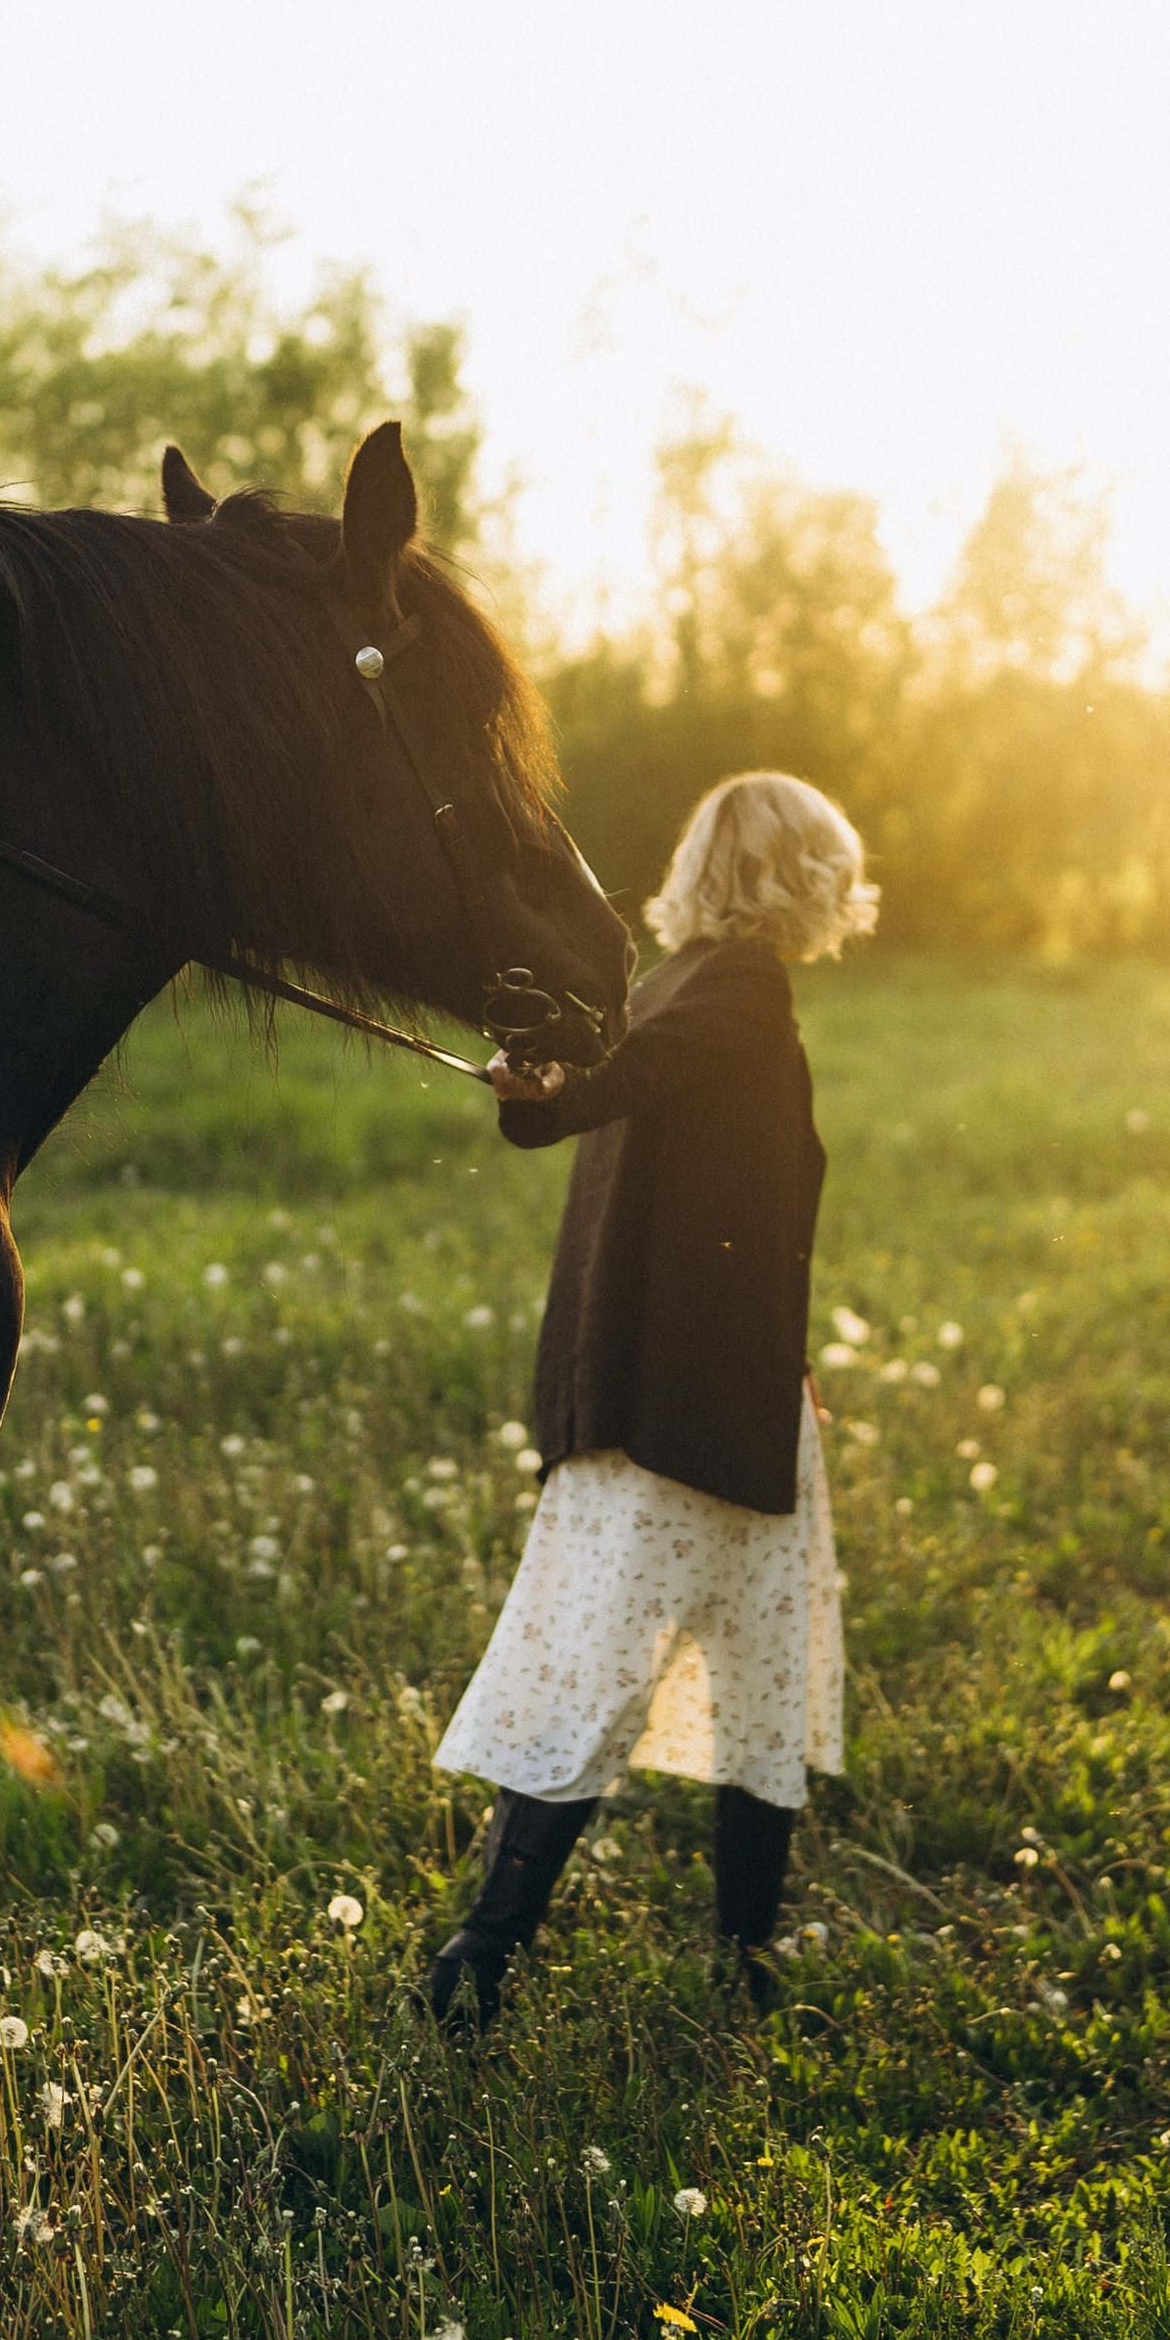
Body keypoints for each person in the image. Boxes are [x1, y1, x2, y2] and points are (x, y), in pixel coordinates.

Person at [425, 770, 876, 2024]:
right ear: (800, 876)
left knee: (753, 1672)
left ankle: (739, 1961)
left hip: (709, 1395)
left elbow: (713, 1188)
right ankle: (480, 1960)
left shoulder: (677, 987)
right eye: (832, 867)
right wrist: (551, 1097)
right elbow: (610, 1093)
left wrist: (784, 1370)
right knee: (616, 1675)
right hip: (681, 1415)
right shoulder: (736, 987)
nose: (846, 891)